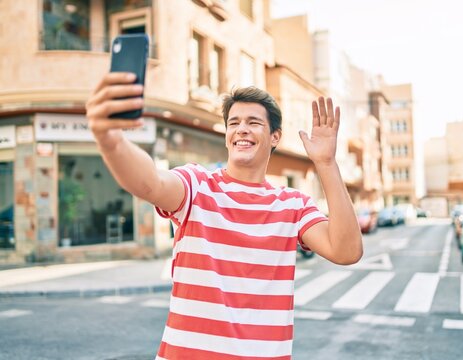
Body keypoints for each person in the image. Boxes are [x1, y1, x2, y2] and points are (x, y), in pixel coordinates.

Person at [86, 72, 363, 359]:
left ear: (275, 137)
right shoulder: (196, 185)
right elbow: (151, 182)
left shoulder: (293, 205)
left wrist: (326, 163)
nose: (241, 129)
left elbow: (346, 251)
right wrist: (111, 141)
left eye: (253, 122)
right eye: (234, 123)